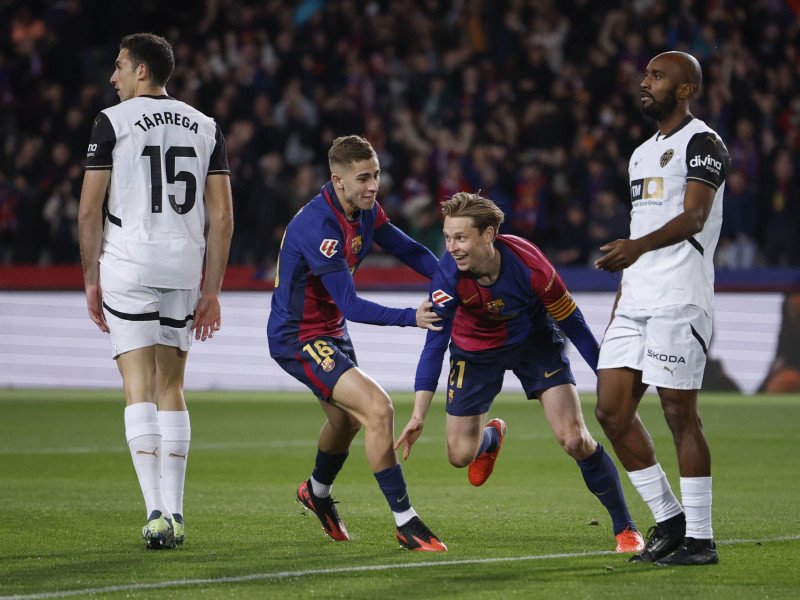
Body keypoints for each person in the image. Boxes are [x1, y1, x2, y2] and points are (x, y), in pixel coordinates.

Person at [395, 191, 645, 554]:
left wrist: (606, 379)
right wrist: (419, 413)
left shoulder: (532, 267)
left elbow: (573, 323)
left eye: (461, 238)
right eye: (448, 237)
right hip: (474, 350)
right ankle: (491, 439)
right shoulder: (446, 277)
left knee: (574, 439)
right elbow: (435, 343)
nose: (452, 247)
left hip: (534, 342)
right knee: (460, 455)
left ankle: (626, 527)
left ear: (489, 234)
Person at [78, 33, 234, 550]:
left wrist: (90, 279)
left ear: (142, 70)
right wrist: (211, 289)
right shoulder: (206, 125)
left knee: (137, 386)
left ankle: (154, 510)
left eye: (120, 66)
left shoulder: (112, 121)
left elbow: (88, 209)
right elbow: (223, 217)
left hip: (129, 262)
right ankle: (179, 513)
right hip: (185, 267)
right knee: (172, 387)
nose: (113, 77)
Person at [267, 135, 447, 552]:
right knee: (378, 409)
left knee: (346, 421)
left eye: (377, 175)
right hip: (299, 336)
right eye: (364, 178)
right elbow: (349, 303)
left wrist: (448, 278)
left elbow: (410, 249)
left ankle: (316, 492)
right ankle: (406, 523)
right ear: (338, 180)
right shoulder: (320, 227)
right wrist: (412, 317)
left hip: (330, 332)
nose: (373, 186)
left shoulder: (363, 209)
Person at [594, 51, 730, 566]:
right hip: (637, 295)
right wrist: (625, 289)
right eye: (645, 73)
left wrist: (637, 248)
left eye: (657, 76)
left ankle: (701, 539)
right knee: (611, 409)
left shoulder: (704, 143)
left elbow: (695, 216)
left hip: (681, 295)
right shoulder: (639, 154)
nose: (643, 82)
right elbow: (642, 226)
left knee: (679, 414)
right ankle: (670, 520)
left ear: (684, 89)